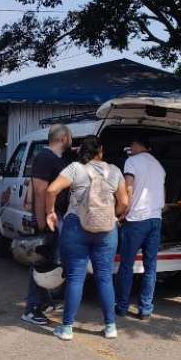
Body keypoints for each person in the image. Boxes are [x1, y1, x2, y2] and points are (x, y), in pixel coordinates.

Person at [45, 137, 129, 341]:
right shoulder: (115, 171)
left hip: (77, 226)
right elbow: (124, 202)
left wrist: (50, 212)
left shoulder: (75, 168)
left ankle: (66, 328)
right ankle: (110, 327)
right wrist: (113, 216)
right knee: (105, 277)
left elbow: (51, 190)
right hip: (107, 230)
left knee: (75, 277)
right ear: (101, 150)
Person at [20, 124, 73, 326]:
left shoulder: (61, 158)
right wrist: (43, 221)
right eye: (70, 138)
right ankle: (31, 309)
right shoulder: (44, 157)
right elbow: (41, 191)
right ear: (63, 138)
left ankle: (44, 301)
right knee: (41, 262)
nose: (71, 141)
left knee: (51, 261)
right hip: (48, 217)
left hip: (57, 216)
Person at [115, 137, 166, 320]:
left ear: (137, 145)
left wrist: (122, 212)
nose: (130, 149)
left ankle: (121, 306)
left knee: (126, 265)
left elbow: (128, 188)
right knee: (150, 267)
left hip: (136, 220)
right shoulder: (158, 165)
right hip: (155, 219)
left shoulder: (132, 161)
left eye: (132, 145)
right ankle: (145, 309)